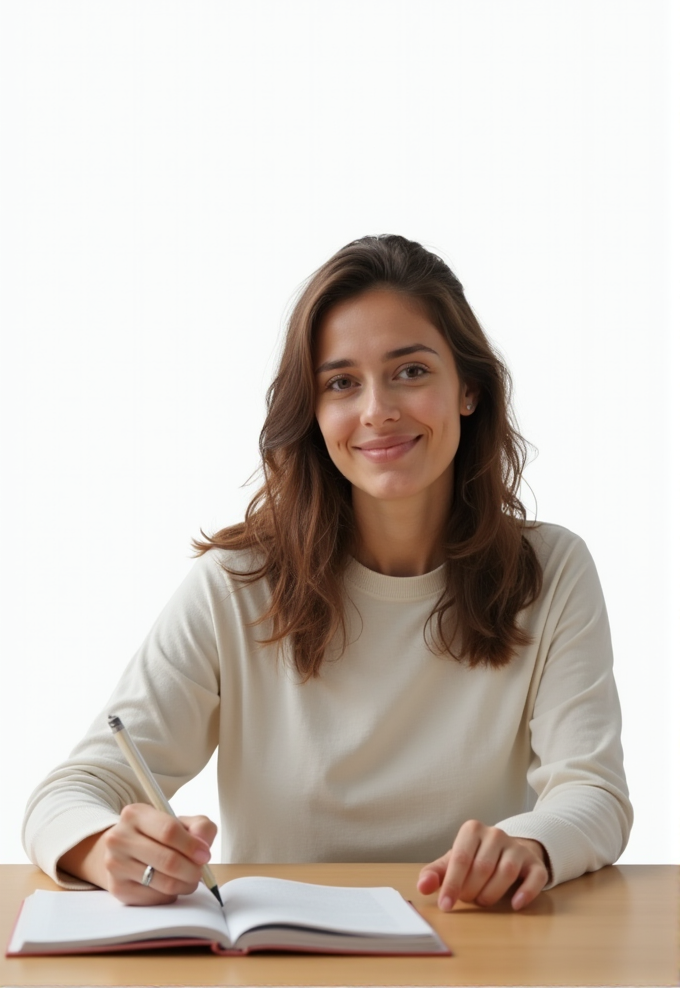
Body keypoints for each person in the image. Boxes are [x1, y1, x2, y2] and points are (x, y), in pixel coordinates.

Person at [23, 235, 632, 913]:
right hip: (279, 962)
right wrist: (105, 846)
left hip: (472, 951)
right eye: (341, 383)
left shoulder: (550, 572)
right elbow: (69, 793)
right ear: (312, 414)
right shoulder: (236, 583)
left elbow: (593, 793)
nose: (377, 410)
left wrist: (533, 845)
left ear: (469, 390)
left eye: (411, 372)